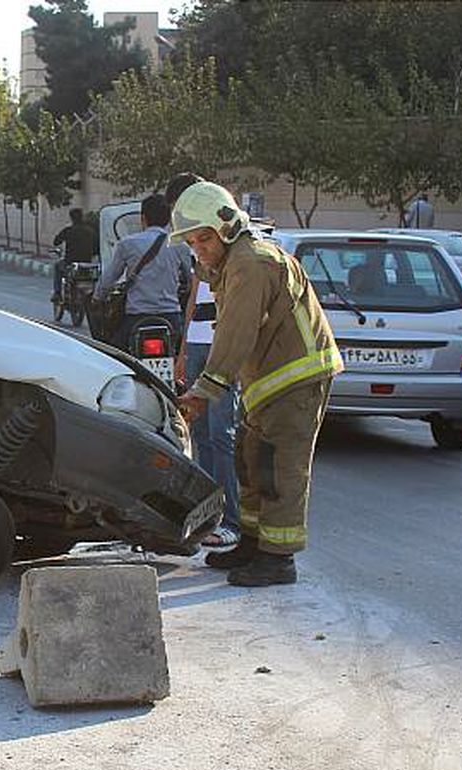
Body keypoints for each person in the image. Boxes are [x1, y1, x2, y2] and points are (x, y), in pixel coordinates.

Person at [171, 181, 342, 587]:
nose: (199, 249)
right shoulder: (232, 262)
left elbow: (236, 332)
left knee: (280, 468)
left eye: (204, 239)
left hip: (295, 381)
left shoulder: (251, 262)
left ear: (226, 227)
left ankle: (278, 559)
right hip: (268, 383)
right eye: (193, 242)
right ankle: (252, 543)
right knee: (251, 462)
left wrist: (203, 392)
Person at [167, 173, 241, 551]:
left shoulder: (234, 245)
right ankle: (208, 514)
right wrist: (182, 351)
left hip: (222, 352)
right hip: (197, 347)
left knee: (221, 436)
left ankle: (231, 520)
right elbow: (194, 300)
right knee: (200, 436)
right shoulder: (201, 249)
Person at [92, 193, 192, 352]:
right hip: (171, 318)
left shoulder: (127, 244)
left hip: (136, 318)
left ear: (143, 218)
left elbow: (109, 278)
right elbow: (190, 278)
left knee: (114, 354)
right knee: (182, 354)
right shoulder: (180, 245)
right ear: (169, 219)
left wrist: (98, 298)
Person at [51, 208, 98, 303]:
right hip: (86, 263)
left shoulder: (68, 230)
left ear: (71, 218)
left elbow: (56, 242)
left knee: (57, 266)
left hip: (70, 262)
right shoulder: (90, 231)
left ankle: (57, 293)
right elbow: (97, 248)